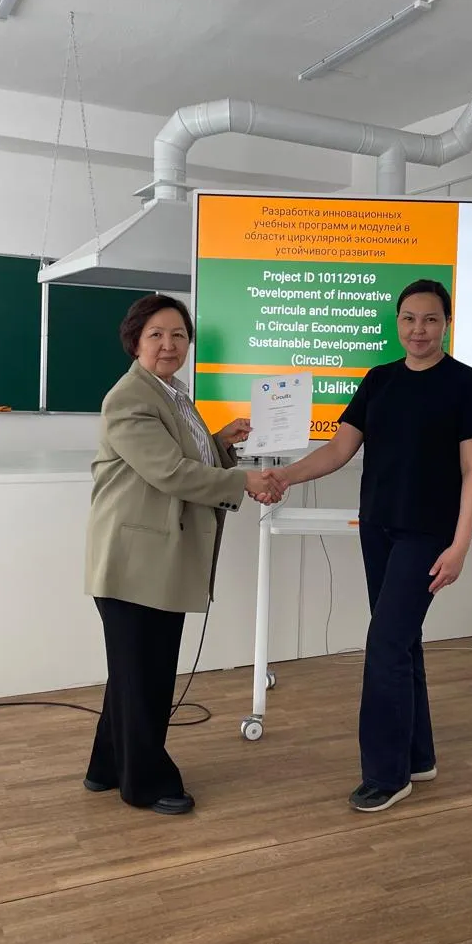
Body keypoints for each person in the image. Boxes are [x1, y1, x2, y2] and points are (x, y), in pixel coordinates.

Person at [265, 279, 472, 813]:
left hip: (427, 535)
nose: (419, 329)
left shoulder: (465, 383)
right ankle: (417, 757)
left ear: (447, 323)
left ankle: (386, 776)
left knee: (386, 644)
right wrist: (285, 477)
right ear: (398, 322)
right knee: (403, 642)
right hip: (379, 530)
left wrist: (460, 545)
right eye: (409, 318)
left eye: (431, 319)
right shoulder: (379, 380)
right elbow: (339, 449)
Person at [84, 294, 284, 815]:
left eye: (178, 334)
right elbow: (169, 471)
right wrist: (244, 482)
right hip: (136, 561)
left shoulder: (172, 392)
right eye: (156, 334)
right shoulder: (130, 397)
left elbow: (186, 455)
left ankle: (106, 767)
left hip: (157, 559)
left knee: (134, 671)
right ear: (135, 341)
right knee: (145, 676)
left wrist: (221, 441)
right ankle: (145, 785)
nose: (169, 344)